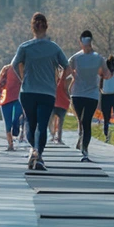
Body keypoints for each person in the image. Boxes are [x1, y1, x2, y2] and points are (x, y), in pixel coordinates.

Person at [11, 12, 69, 171]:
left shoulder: (25, 47)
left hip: (28, 90)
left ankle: (35, 151)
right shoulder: (54, 48)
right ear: (46, 27)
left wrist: (22, 78)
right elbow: (67, 66)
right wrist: (59, 80)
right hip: (47, 92)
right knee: (42, 125)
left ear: (32, 28)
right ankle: (38, 154)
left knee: (30, 122)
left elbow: (14, 65)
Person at [67, 31, 108, 162]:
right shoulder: (75, 58)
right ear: (81, 42)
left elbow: (105, 73)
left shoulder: (98, 58)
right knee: (81, 120)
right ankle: (81, 136)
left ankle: (85, 150)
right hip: (77, 93)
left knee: (86, 121)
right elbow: (68, 70)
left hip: (92, 94)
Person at [0, 63, 23, 151]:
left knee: (16, 118)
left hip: (18, 98)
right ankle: (10, 144)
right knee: (8, 123)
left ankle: (16, 128)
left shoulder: (24, 68)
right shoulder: (6, 68)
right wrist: (1, 79)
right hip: (6, 98)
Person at [52, 69, 70, 145]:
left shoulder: (52, 81)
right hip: (63, 103)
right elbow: (67, 91)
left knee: (51, 121)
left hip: (55, 103)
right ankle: (58, 138)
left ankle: (53, 136)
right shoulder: (64, 81)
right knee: (60, 122)